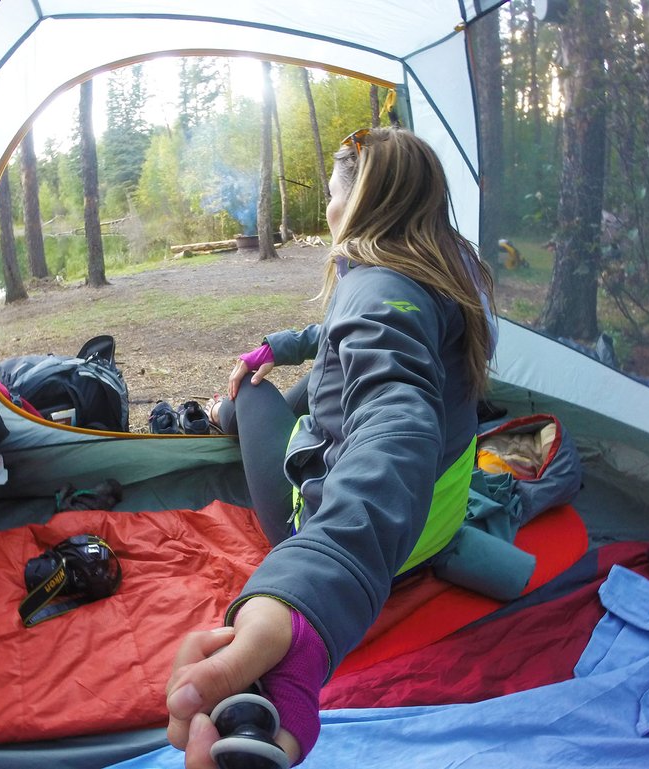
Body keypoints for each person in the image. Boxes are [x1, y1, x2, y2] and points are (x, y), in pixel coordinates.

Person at [166, 126, 496, 768]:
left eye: (328, 194)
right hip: (428, 521)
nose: (326, 209)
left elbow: (396, 419)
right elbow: (348, 333)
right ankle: (244, 398)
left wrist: (317, 584)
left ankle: (225, 412)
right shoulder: (451, 266)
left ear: (355, 202)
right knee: (308, 378)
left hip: (361, 538)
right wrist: (284, 344)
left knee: (249, 394)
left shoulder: (373, 288)